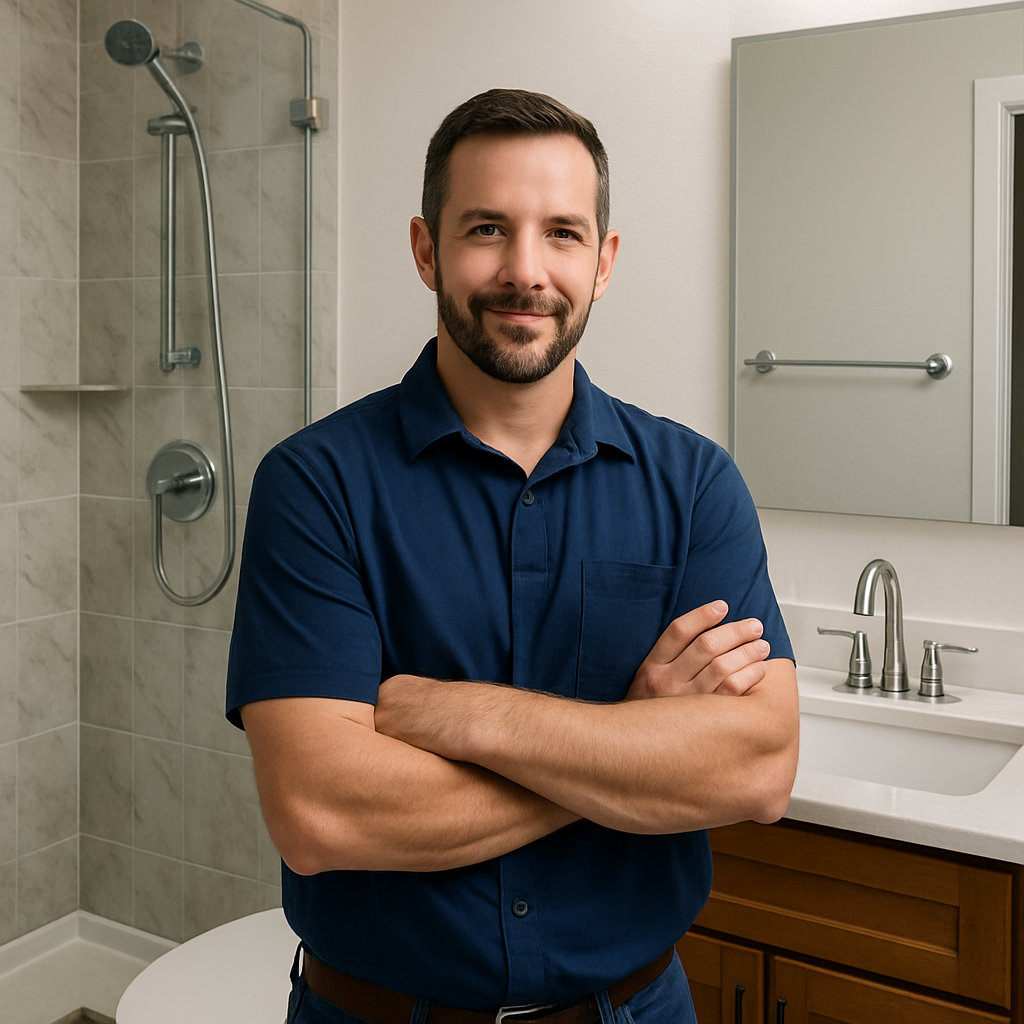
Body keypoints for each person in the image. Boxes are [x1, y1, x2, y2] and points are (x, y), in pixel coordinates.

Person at [226, 88, 798, 1024]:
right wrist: (634, 741)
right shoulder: (314, 484)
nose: (526, 271)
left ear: (604, 261)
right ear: (427, 250)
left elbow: (759, 770)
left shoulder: (695, 486)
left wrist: (453, 716)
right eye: (487, 228)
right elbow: (321, 813)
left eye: (563, 233)